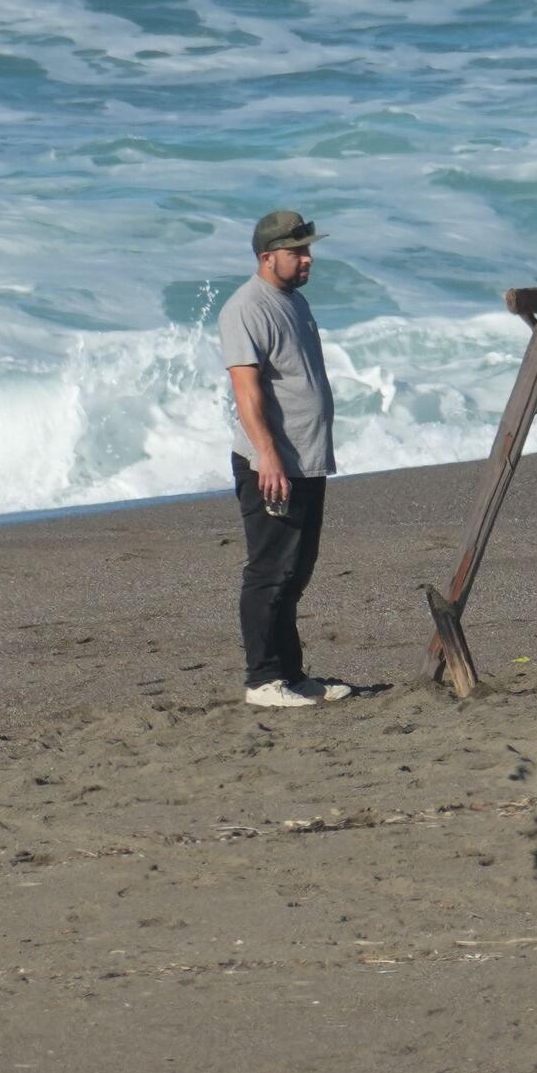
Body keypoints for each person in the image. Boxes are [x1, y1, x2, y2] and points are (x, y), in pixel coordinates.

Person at [219, 207, 351, 711]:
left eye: (308, 250)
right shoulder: (246, 307)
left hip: (306, 459)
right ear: (266, 256)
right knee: (270, 571)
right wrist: (268, 458)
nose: (308, 260)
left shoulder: (292, 301)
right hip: (270, 465)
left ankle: (292, 675)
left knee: (296, 570)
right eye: (297, 252)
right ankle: (263, 680)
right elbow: (246, 392)